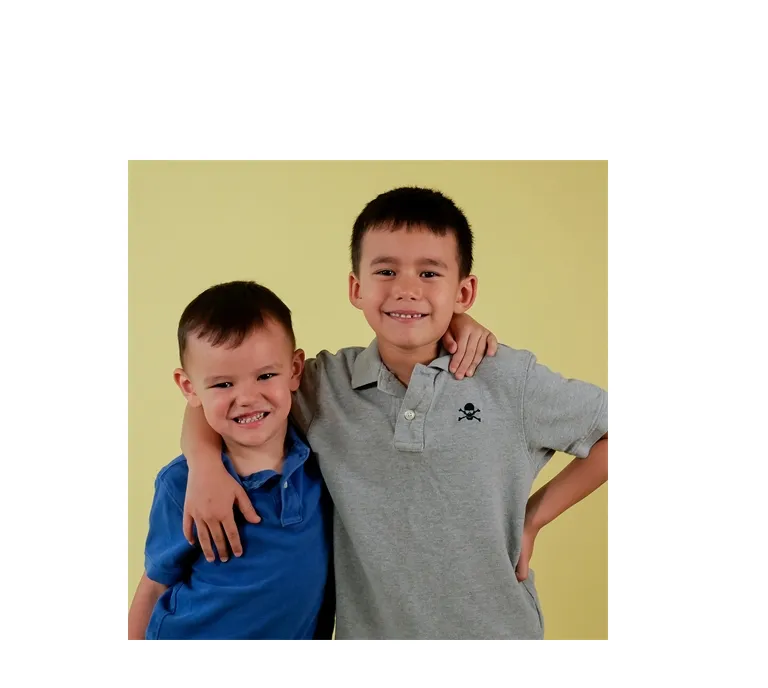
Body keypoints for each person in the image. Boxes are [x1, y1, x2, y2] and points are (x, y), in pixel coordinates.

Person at [181, 187, 608, 639]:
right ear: (356, 288)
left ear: (464, 291)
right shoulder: (325, 386)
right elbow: (226, 388)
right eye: (386, 271)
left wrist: (534, 517)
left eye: (429, 273)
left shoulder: (509, 380)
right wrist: (204, 466)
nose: (406, 289)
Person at [128, 281, 335, 639]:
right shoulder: (181, 484)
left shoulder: (322, 462)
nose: (247, 397)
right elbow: (155, 583)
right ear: (188, 387)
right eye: (223, 384)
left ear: (295, 370)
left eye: (265, 376)